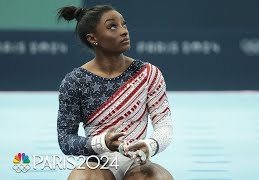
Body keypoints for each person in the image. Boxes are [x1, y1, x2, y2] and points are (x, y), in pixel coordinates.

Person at [56, 4, 173, 180]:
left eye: (123, 24)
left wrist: (150, 145)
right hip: (97, 163)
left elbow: (164, 125)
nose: (124, 31)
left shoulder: (148, 73)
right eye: (112, 26)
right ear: (93, 38)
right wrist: (102, 142)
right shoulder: (75, 81)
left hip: (136, 163)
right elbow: (66, 139)